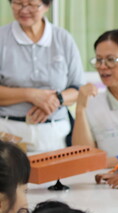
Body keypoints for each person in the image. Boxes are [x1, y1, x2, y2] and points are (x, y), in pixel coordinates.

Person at [0, 0, 84, 152]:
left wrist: (56, 100)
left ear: (46, 6)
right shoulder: (2, 38)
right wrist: (30, 95)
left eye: (32, 4)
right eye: (18, 3)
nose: (24, 10)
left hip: (55, 134)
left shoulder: (63, 38)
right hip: (9, 132)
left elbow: (79, 89)